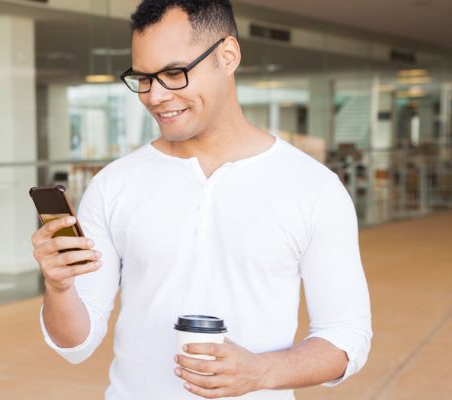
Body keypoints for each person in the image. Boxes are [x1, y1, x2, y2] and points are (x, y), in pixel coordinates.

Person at [30, 0, 372, 398]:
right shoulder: (113, 185)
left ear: (227, 56)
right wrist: (58, 288)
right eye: (143, 78)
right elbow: (76, 344)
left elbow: (346, 336)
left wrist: (261, 372)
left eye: (174, 74)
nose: (155, 96)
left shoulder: (313, 187)